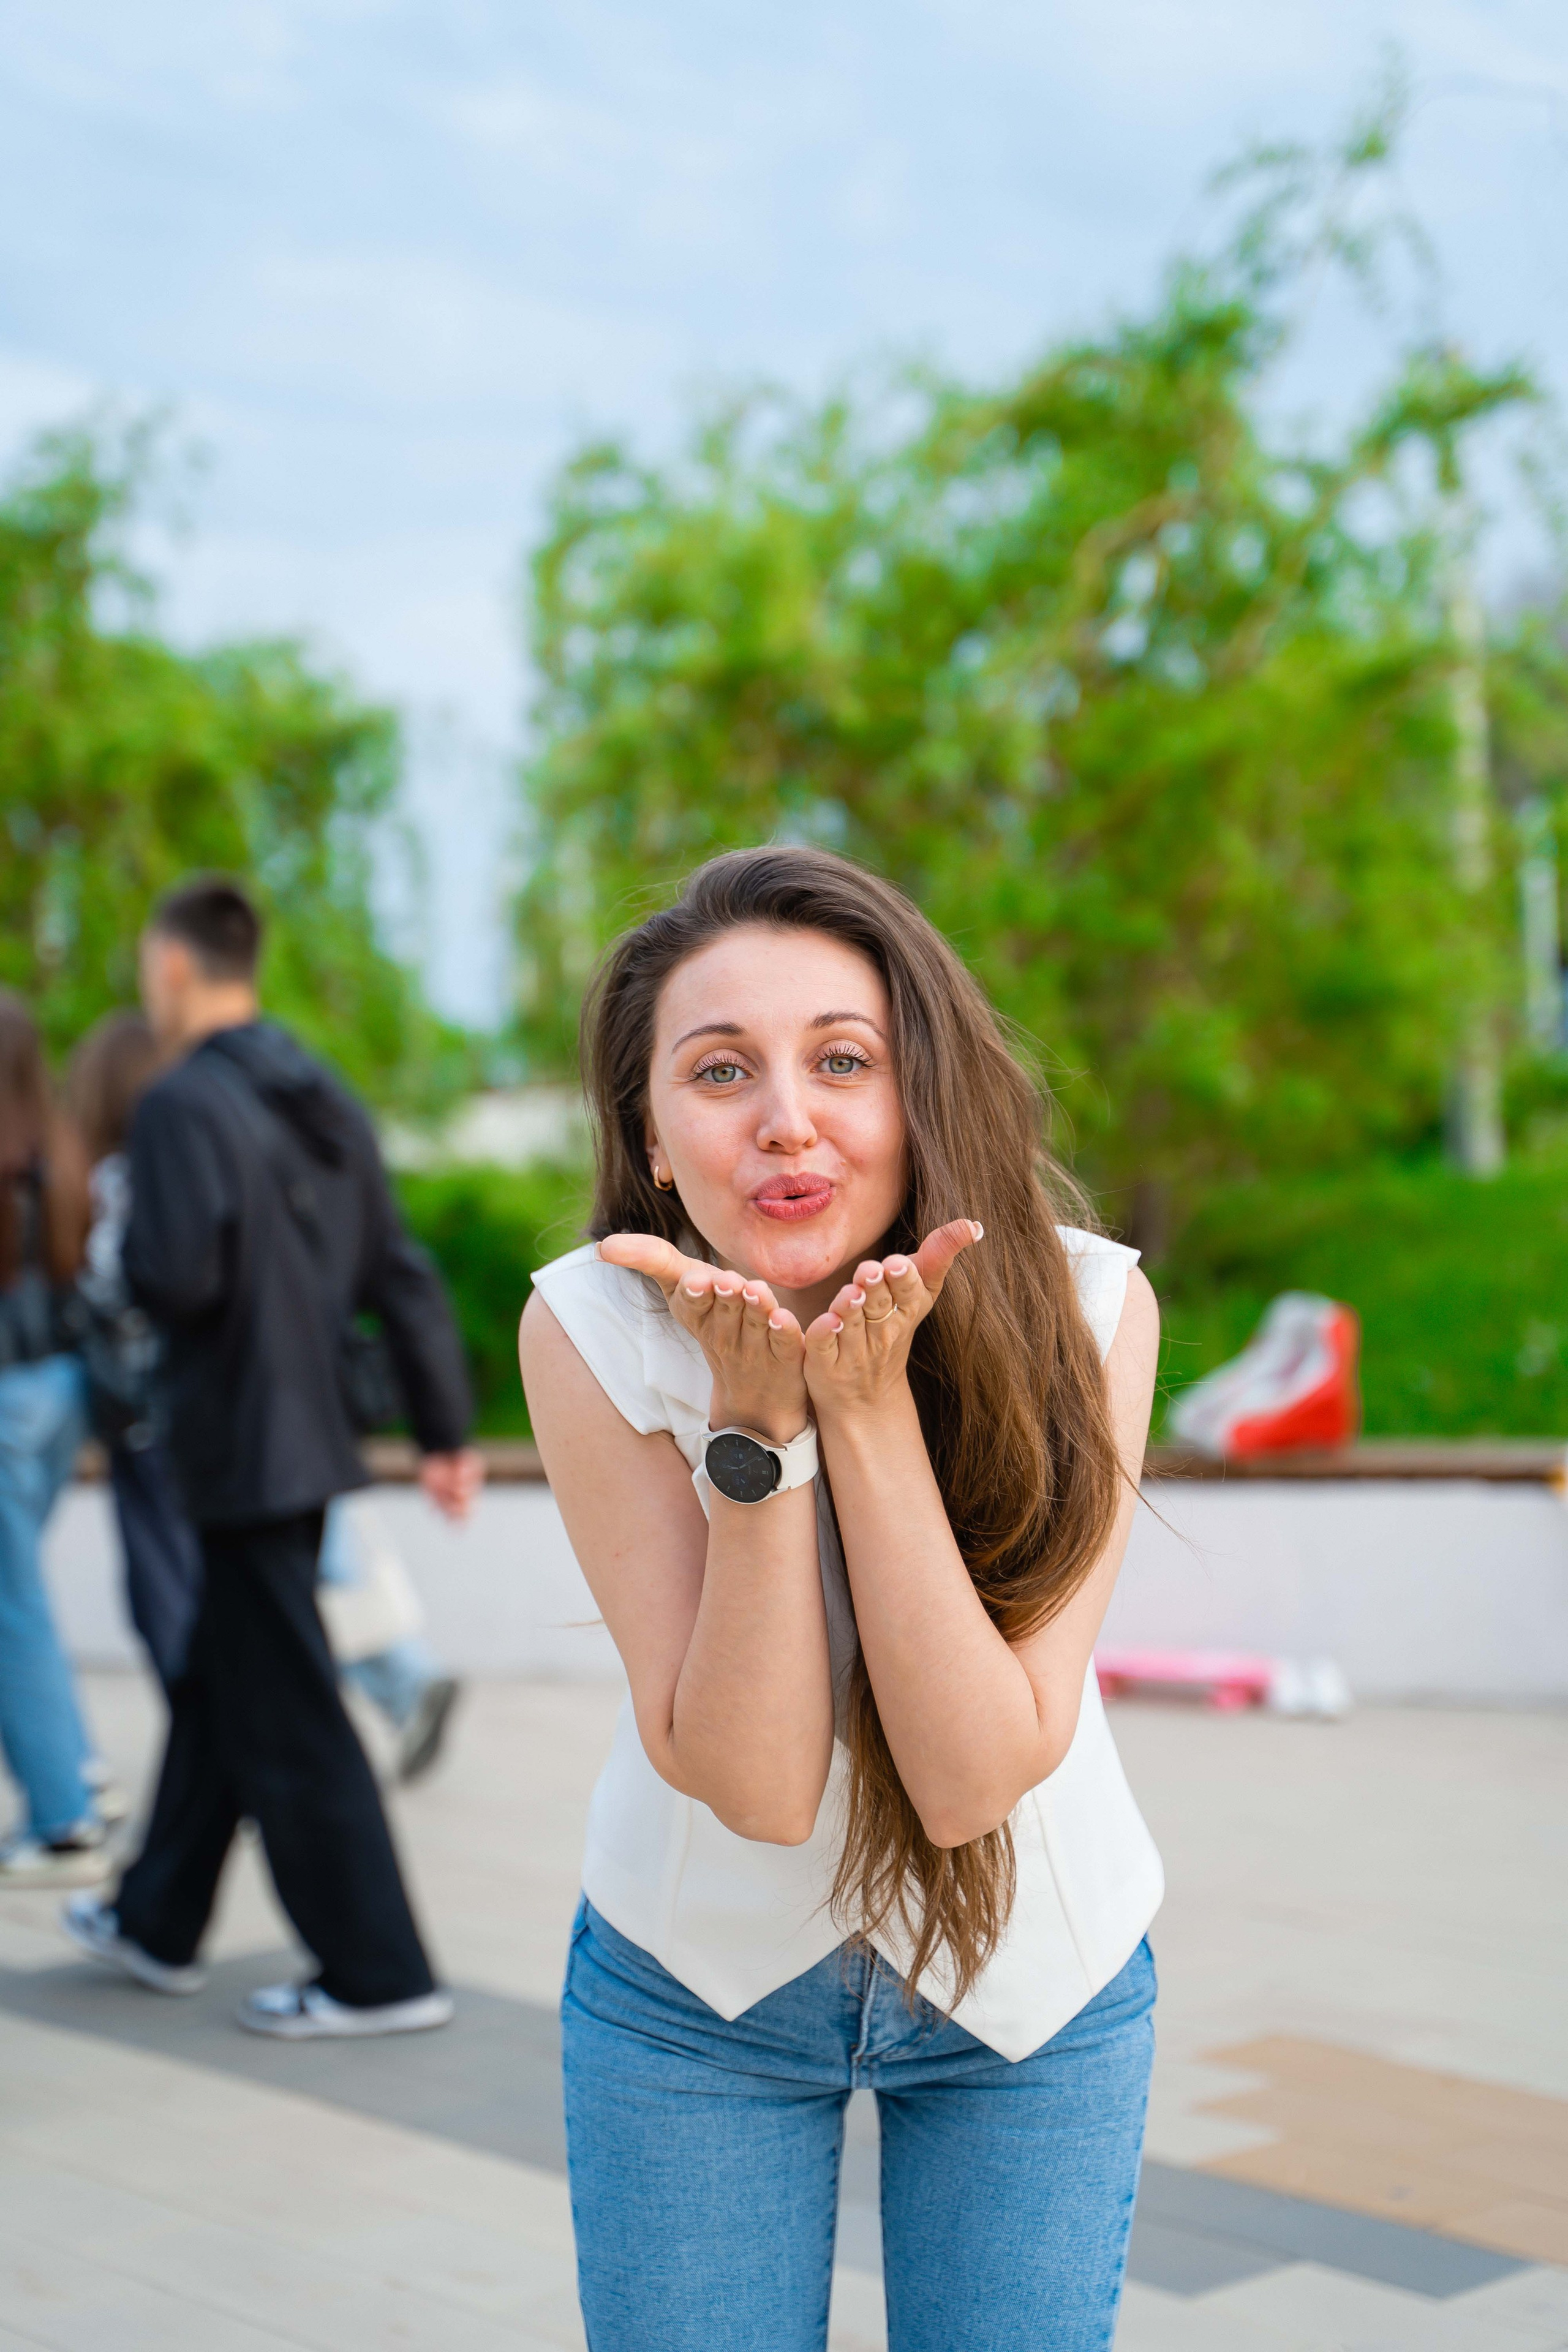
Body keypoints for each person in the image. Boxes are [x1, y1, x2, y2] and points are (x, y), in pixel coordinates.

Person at [520, 846, 1164, 2352]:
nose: (785, 1118)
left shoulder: (1084, 1305)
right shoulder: (593, 1329)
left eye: (840, 1059)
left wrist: (863, 1410)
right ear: (653, 1139)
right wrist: (762, 1433)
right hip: (693, 1992)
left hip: (1033, 1990)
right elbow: (751, 1781)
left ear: (914, 1095)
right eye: (719, 1070)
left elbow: (963, 1780)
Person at [62, 876, 482, 2037]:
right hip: (311, 1438)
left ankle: (377, 1975)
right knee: (229, 1676)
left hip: (236, 1442)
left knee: (285, 1708)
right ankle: (156, 1921)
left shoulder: (179, 1103)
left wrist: (130, 1259)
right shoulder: (316, 1090)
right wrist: (443, 1430)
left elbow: (176, 1277)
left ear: (175, 968)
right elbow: (396, 1265)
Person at [68, 1013, 463, 1777]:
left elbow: (150, 1286)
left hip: (190, 1428)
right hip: (289, 1418)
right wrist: (442, 1432)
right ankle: (397, 1683)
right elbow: (394, 1271)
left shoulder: (147, 1161)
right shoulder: (281, 1128)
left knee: (224, 1620)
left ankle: (335, 1744)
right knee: (280, 1597)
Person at [0, 993, 112, 1887]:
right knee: (18, 1593)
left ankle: (64, 1818)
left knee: (11, 1602)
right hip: (60, 1390)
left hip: (7, 1395)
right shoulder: (62, 1151)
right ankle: (76, 1771)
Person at [66, 1009, 202, 1696]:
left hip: (140, 1411)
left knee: (160, 1594)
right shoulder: (189, 1164)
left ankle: (209, 1742)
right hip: (195, 1402)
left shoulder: (117, 1176)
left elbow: (108, 1281)